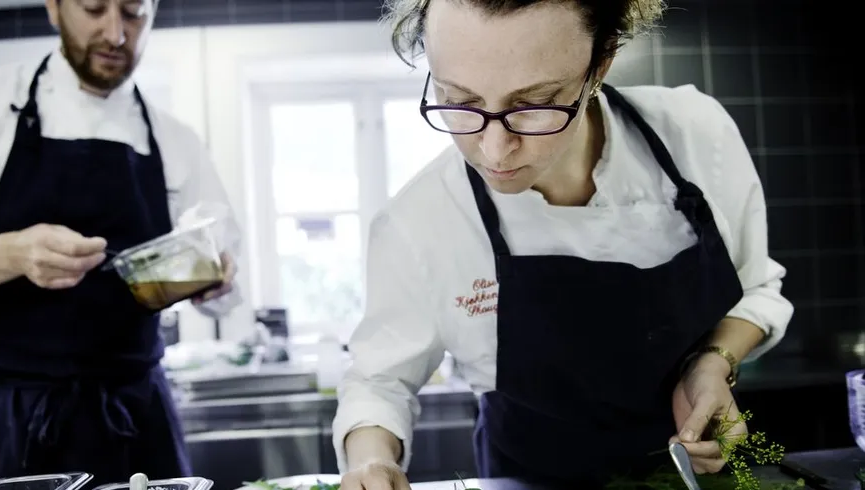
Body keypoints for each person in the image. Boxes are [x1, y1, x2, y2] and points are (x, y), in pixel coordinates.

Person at [333, 0, 794, 487]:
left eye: (533, 105)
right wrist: (370, 462)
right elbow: (378, 381)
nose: (493, 151)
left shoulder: (694, 133)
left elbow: (757, 288)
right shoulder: (420, 221)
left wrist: (713, 363)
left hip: (696, 476)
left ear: (600, 65)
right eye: (460, 101)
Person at [0, 0, 241, 484]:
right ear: (53, 7)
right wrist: (14, 253)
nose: (116, 33)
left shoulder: (174, 138)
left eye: (134, 13)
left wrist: (210, 277)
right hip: (14, 419)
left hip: (140, 415)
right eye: (94, 8)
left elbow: (223, 273)